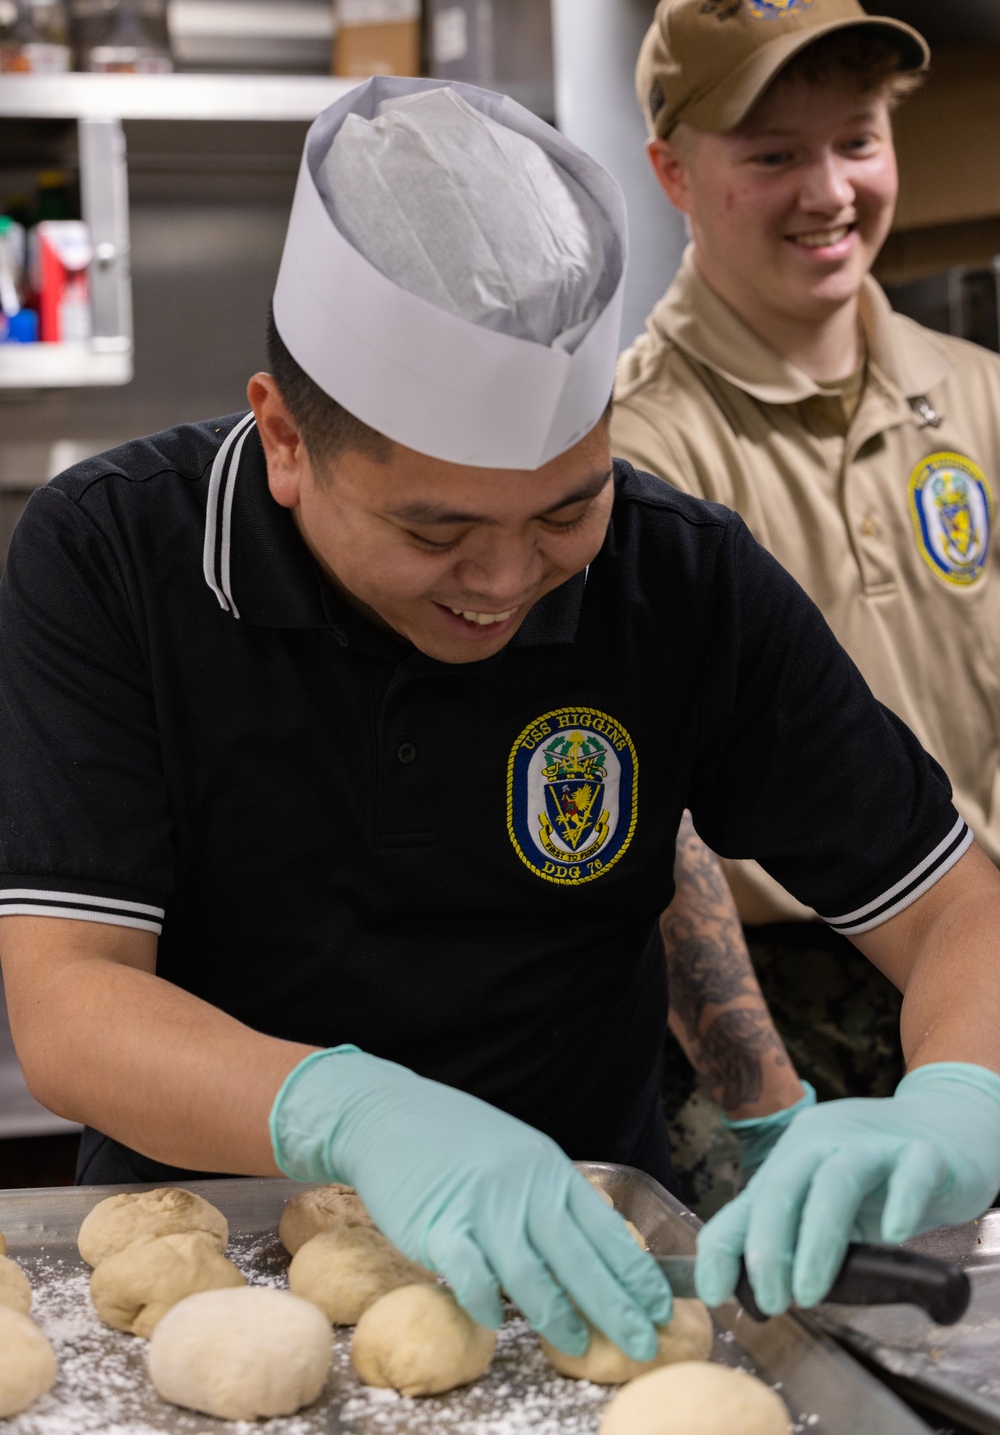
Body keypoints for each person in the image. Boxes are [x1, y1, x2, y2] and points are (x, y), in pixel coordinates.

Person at [0, 79, 998, 1355]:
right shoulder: (115, 555)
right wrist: (352, 1112)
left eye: (565, 511)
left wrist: (962, 1096)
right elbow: (73, 1004)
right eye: (436, 529)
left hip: (587, 1267)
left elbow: (955, 907)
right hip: (208, 1279)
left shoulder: (676, 576)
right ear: (286, 439)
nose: (507, 580)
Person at [613, 0, 1000, 1122]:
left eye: (858, 140)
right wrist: (757, 1100)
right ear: (674, 172)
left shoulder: (979, 396)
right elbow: (652, 819)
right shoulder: (636, 452)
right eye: (775, 155)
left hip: (975, 969)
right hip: (773, 1015)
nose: (829, 191)